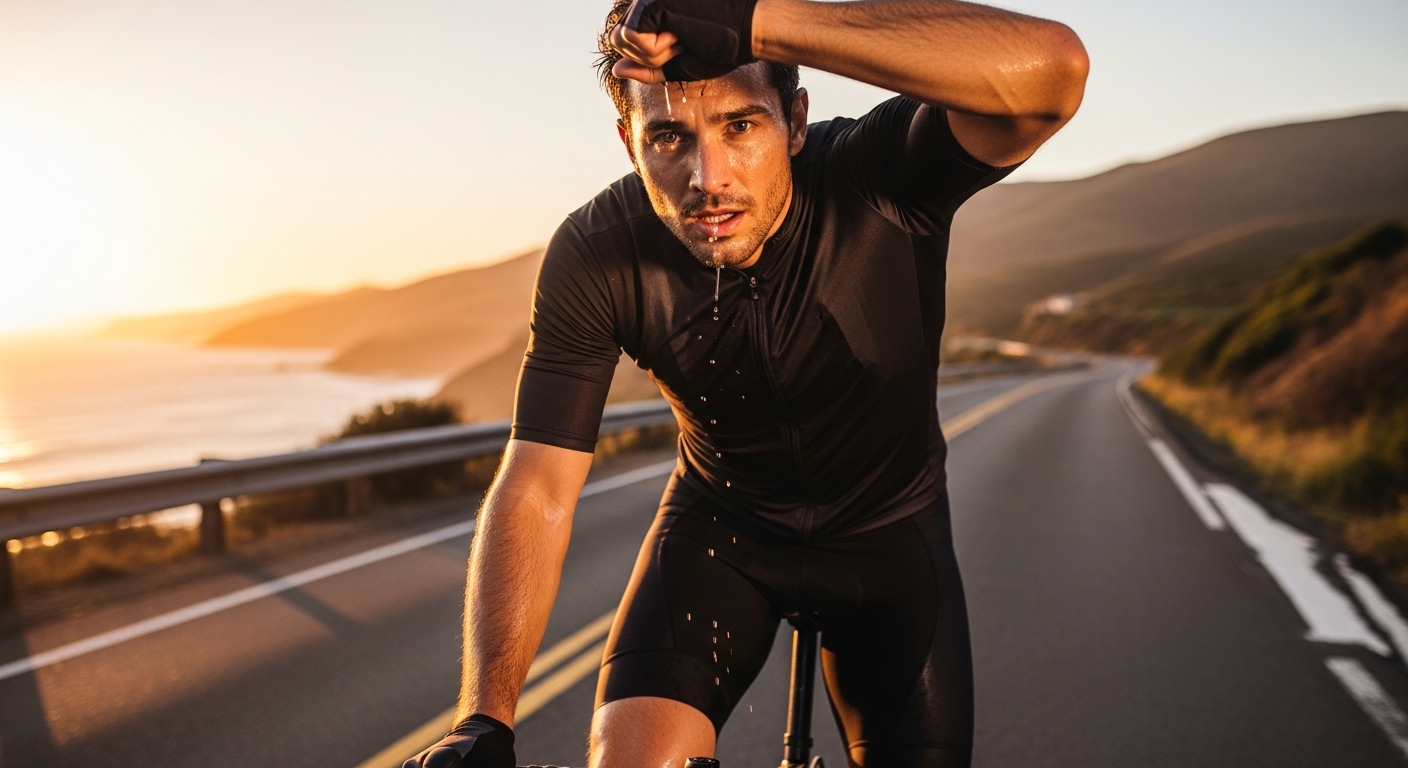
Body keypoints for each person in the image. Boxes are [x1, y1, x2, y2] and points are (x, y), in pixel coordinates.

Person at [406, 1, 1086, 767]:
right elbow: (537, 487)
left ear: (795, 122)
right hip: (723, 533)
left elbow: (1054, 74)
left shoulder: (876, 173)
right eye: (668, 136)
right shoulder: (596, 253)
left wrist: (752, 20)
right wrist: (483, 719)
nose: (707, 179)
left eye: (741, 125)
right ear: (629, 142)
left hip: (888, 536)